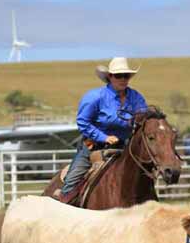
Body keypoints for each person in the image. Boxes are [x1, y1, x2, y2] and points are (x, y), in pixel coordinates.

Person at [56, 57, 147, 202]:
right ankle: (62, 205)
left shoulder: (136, 97)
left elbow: (144, 118)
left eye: (126, 75)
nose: (123, 79)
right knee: (71, 184)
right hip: (94, 147)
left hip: (125, 148)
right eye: (118, 75)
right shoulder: (95, 97)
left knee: (144, 179)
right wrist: (104, 137)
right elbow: (83, 122)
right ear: (110, 77)